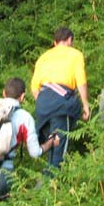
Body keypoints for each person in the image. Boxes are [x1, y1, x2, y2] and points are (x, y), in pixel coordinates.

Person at [0, 77, 61, 199]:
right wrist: (50, 143)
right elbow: (35, 153)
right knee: (33, 187)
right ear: (22, 96)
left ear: (4, 93)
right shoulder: (25, 117)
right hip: (2, 175)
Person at [31, 26, 90, 171]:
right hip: (61, 104)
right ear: (70, 40)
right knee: (59, 150)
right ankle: (50, 184)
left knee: (51, 143)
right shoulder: (75, 54)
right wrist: (86, 105)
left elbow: (34, 87)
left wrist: (44, 103)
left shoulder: (43, 57)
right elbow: (81, 81)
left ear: (55, 42)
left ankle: (47, 178)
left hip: (43, 103)